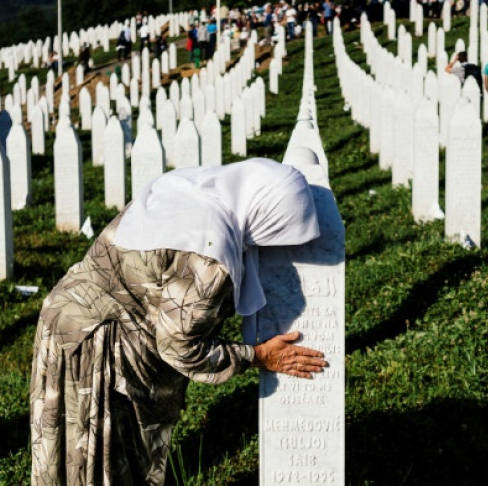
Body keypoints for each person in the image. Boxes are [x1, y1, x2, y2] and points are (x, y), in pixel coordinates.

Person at [30, 158, 329, 486]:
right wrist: (257, 356)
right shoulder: (208, 257)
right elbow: (181, 347)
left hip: (65, 320)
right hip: (100, 351)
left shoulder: (191, 188)